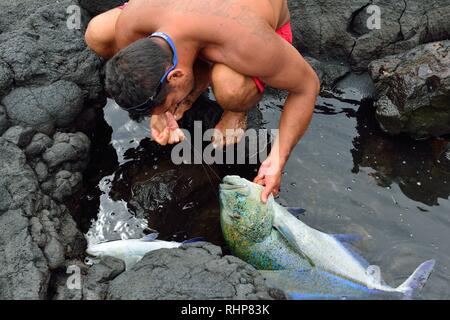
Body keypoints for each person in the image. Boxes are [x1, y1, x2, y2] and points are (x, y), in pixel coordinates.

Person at [85, 0, 320, 203]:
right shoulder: (133, 22)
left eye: (169, 105)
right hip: (189, 19)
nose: (172, 110)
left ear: (175, 75)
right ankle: (199, 74)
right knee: (98, 32)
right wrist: (159, 112)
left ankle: (237, 109)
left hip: (240, 23)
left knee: (231, 89)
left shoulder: (250, 43)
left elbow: (307, 86)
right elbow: (139, 72)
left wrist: (276, 161)